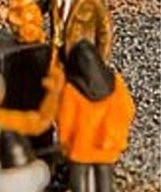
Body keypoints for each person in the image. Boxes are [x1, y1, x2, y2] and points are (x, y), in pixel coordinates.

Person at [57, 39, 135, 192]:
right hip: (105, 145)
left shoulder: (72, 90)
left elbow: (65, 120)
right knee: (105, 180)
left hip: (80, 146)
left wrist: (64, 143)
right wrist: (116, 135)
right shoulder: (116, 83)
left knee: (78, 181)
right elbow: (128, 110)